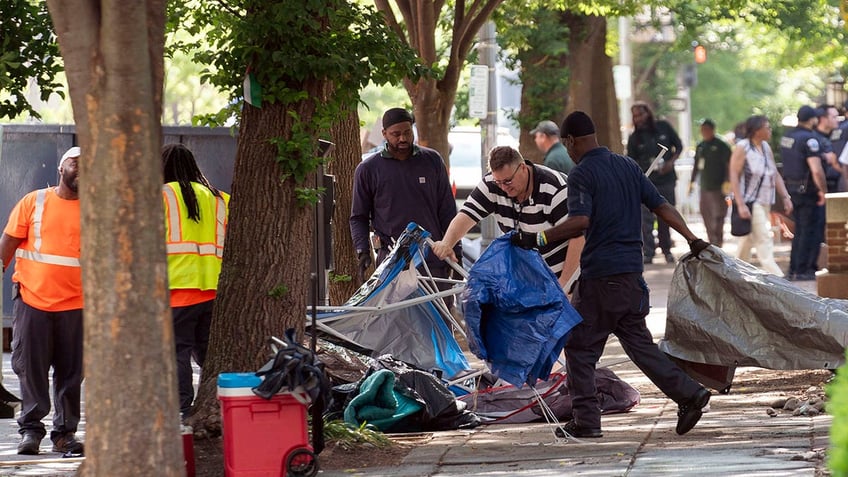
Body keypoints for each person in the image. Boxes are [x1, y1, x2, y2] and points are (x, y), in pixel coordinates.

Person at [519, 111, 711, 438]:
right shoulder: (628, 166)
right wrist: (691, 238)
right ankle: (690, 394)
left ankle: (587, 422)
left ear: (569, 141)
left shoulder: (582, 174)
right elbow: (661, 205)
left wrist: (538, 238)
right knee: (641, 347)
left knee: (579, 348)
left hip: (600, 279)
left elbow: (580, 222)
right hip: (631, 276)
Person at [0, 146, 85, 456]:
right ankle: (31, 432)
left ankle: (65, 434)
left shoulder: (95, 210)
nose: (82, 168)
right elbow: (7, 244)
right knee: (30, 370)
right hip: (33, 300)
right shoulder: (34, 202)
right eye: (75, 163)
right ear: (61, 168)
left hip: (77, 305)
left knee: (71, 373)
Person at [430, 146, 583, 290]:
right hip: (526, 277)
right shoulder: (492, 184)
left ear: (522, 167)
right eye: (499, 182)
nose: (504, 187)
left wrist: (565, 284)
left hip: (562, 273)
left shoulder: (555, 189)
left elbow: (578, 237)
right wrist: (447, 243)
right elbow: (467, 214)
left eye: (508, 181)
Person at [350, 108, 459, 286]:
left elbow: (447, 210)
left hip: (433, 260)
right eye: (396, 134)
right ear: (384, 134)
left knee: (436, 313)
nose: (403, 138)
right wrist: (362, 251)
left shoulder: (432, 161)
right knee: (395, 314)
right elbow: (358, 217)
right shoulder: (368, 169)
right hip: (392, 262)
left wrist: (456, 250)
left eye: (407, 132)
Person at [162, 144, 229, 417]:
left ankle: (181, 409)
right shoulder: (221, 199)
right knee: (208, 355)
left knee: (177, 350)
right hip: (214, 290)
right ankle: (216, 405)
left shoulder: (159, 196)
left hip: (175, 288)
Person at [728, 115, 793, 277]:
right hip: (750, 201)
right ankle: (777, 276)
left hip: (765, 201)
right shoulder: (743, 147)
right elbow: (734, 175)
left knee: (747, 240)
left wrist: (785, 196)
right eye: (767, 127)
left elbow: (774, 173)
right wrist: (741, 204)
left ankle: (734, 273)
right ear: (757, 131)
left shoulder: (765, 147)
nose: (770, 130)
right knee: (764, 237)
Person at [627, 102, 683, 264]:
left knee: (666, 215)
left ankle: (666, 249)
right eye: (635, 116)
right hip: (646, 181)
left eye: (641, 114)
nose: (638, 119)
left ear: (648, 113)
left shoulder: (663, 127)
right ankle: (649, 252)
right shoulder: (634, 138)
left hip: (666, 180)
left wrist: (671, 162)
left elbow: (678, 146)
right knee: (646, 218)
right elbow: (631, 160)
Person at [780, 105, 828, 281]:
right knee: (810, 231)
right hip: (809, 192)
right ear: (813, 119)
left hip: (793, 189)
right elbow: (816, 170)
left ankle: (794, 268)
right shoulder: (810, 139)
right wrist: (823, 191)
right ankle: (804, 269)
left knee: (799, 230)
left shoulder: (788, 137)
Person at [690, 119, 732, 247]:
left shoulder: (722, 145)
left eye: (707, 129)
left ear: (712, 130)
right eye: (702, 130)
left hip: (718, 187)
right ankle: (711, 241)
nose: (704, 132)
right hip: (704, 187)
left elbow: (728, 165)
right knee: (706, 214)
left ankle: (718, 241)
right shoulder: (700, 146)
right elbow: (696, 165)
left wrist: (727, 181)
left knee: (719, 215)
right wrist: (691, 182)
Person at [813, 104, 843, 193]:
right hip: (822, 187)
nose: (837, 120)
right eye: (834, 117)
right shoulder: (813, 138)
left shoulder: (840, 135)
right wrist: (824, 157)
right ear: (823, 119)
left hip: (839, 183)